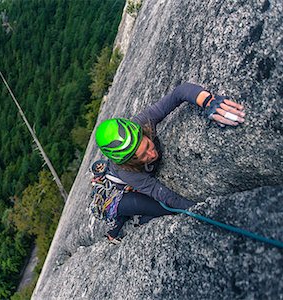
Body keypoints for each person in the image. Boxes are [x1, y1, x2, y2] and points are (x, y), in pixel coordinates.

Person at [94, 82, 245, 244]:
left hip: (124, 181)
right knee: (162, 208)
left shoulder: (143, 122)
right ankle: (128, 222)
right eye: (142, 156)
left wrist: (208, 101)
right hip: (117, 195)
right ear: (129, 162)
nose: (152, 153)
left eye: (147, 145)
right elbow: (167, 197)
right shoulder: (127, 172)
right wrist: (206, 213)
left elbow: (179, 93)